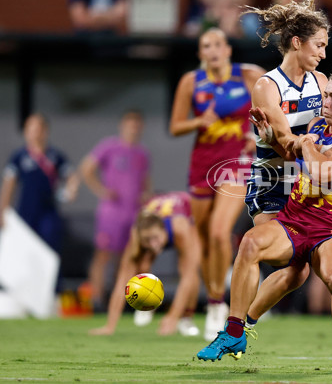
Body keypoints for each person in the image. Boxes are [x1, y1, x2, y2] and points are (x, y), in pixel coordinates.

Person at [197, 58, 332, 376]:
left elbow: (323, 173)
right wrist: (269, 136)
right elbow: (291, 154)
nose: (325, 102)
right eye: (325, 95)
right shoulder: (317, 127)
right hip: (294, 220)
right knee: (250, 244)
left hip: (331, 228)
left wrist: (309, 145)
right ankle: (234, 331)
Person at [241, 0, 332, 373]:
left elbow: (326, 131)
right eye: (319, 45)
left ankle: (245, 325)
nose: (324, 54)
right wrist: (287, 142)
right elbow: (288, 145)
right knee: (294, 265)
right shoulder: (267, 85)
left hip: (303, 183)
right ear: (297, 43)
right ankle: (237, 323)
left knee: (310, 270)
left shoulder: (321, 81)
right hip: (273, 178)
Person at [169, 27, 264, 341]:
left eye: (217, 44)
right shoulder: (190, 82)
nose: (212, 50)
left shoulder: (248, 76)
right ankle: (211, 297)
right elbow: (175, 126)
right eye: (205, 46)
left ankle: (216, 304)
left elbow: (275, 108)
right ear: (200, 54)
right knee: (205, 238)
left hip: (236, 162)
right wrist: (198, 121)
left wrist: (257, 136)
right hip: (202, 164)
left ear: (227, 50)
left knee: (220, 232)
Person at [89, 192, 201, 336]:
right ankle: (148, 302)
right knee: (141, 264)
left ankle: (187, 317)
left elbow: (189, 276)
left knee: (188, 267)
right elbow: (122, 282)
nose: (153, 245)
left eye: (155, 238)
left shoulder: (181, 227)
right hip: (157, 217)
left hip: (190, 214)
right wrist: (110, 326)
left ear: (163, 230)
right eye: (147, 240)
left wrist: (172, 317)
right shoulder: (137, 235)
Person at [80, 110, 151, 311]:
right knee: (103, 255)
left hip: (133, 213)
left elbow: (145, 181)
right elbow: (86, 168)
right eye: (130, 124)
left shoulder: (142, 154)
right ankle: (95, 300)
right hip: (111, 214)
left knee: (127, 258)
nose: (133, 128)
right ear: (123, 125)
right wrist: (102, 190)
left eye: (137, 125)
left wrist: (147, 197)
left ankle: (122, 302)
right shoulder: (109, 147)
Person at [0, 114, 79, 262]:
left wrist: (71, 189)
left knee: (49, 250)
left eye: (39, 128)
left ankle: (52, 285)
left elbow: (72, 176)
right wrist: (3, 211)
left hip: (48, 212)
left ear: (45, 131)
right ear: (26, 132)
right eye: (32, 129)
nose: (36, 132)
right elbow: (8, 185)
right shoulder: (19, 156)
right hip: (25, 212)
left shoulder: (54, 156)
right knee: (23, 251)